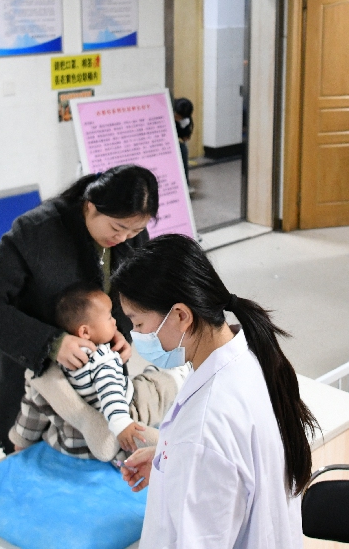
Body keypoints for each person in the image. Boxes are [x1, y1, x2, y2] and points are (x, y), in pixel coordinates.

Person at [113, 234, 319, 549]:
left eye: (138, 324)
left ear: (181, 316)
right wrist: (171, 462)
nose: (135, 335)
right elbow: (232, 462)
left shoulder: (205, 427)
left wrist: (187, 458)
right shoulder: (249, 355)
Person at [0, 165, 158, 454]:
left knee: (92, 464)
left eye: (136, 230)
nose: (124, 237)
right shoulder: (37, 232)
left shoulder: (131, 236)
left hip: (97, 390)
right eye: (117, 227)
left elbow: (128, 296)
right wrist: (53, 342)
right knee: (31, 467)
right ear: (90, 207)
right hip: (39, 386)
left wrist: (119, 333)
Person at [9, 281, 188, 460]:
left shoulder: (56, 364)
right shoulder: (102, 359)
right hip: (127, 408)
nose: (115, 321)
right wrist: (121, 424)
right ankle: (178, 372)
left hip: (75, 442)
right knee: (157, 386)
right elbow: (111, 393)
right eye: (109, 317)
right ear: (85, 332)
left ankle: (155, 372)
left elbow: (34, 406)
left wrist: (21, 440)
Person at [172, 97, 194, 183]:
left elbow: (185, 137)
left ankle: (185, 183)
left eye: (179, 117)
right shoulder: (168, 108)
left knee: (183, 150)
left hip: (177, 141)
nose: (177, 118)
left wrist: (182, 126)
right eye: (176, 115)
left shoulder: (185, 121)